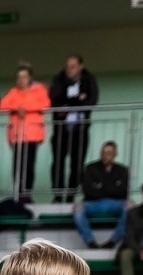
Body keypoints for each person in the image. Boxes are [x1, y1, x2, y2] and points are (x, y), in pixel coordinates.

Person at [47, 55, 98, 203]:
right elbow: (53, 99)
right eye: (68, 66)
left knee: (77, 164)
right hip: (61, 129)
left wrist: (68, 105)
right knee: (57, 163)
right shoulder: (59, 79)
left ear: (81, 67)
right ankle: (57, 195)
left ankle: (70, 195)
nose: (70, 69)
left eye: (73, 66)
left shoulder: (89, 79)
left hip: (80, 130)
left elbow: (92, 100)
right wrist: (77, 100)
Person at [0, 65, 49, 204]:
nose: (21, 80)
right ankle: (18, 193)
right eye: (19, 77)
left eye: (24, 76)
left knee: (29, 165)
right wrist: (16, 108)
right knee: (17, 165)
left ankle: (27, 194)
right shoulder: (13, 92)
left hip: (32, 134)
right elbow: (2, 105)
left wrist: (25, 108)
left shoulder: (39, 90)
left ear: (30, 78)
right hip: (16, 135)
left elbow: (45, 104)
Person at [72, 141, 129, 247]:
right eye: (103, 152)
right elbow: (88, 191)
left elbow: (123, 192)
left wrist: (100, 186)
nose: (105, 155)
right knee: (77, 209)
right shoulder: (90, 168)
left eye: (108, 153)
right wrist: (113, 187)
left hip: (115, 203)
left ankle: (113, 241)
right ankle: (90, 241)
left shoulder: (122, 170)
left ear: (115, 154)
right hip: (93, 203)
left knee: (130, 207)